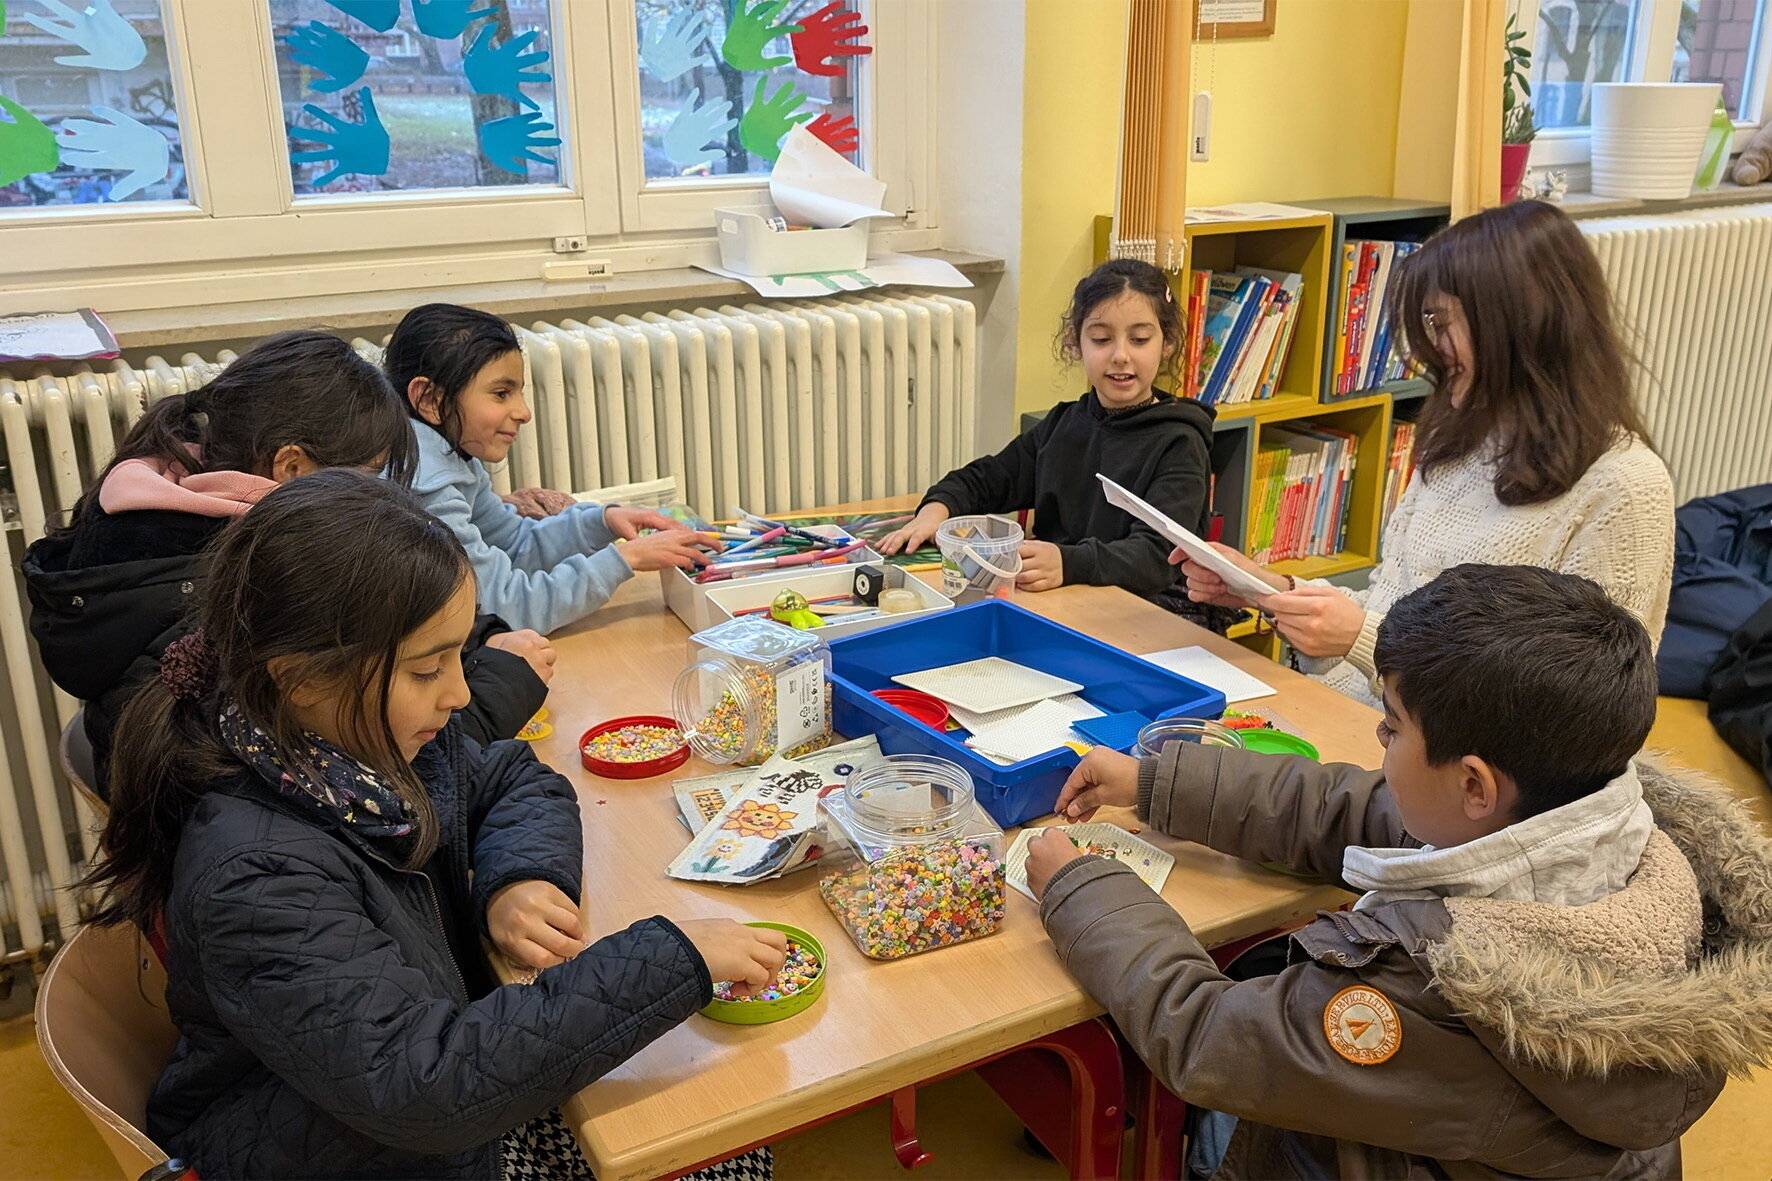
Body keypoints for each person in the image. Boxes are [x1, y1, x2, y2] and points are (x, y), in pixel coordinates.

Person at [84, 471, 783, 1180]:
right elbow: (429, 1085)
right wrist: (672, 957)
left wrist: (519, 877)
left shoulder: (362, 742)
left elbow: (513, 775)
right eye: (427, 669)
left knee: (716, 1127)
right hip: (362, 1144)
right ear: (300, 678)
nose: (458, 692)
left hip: (401, 1099)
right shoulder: (257, 877)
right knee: (714, 1145)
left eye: (458, 654)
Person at [1025, 564, 1772, 1179]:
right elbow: (1360, 804)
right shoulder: (1605, 829)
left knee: (1198, 1099)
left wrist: (1081, 885)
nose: (1378, 741)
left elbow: (1209, 1037)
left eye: (1390, 726)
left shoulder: (1428, 982)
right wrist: (1155, 783)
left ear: (1475, 784)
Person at [1179, 201, 1674, 707]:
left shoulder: (1625, 486)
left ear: (1518, 324)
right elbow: (1393, 609)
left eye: (1442, 323)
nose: (1429, 350)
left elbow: (1582, 708)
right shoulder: (1461, 447)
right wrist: (1270, 590)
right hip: (1377, 728)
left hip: (1467, 774)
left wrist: (1364, 640)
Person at [22, 331, 553, 794]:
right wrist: (501, 688)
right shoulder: (245, 587)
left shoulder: (189, 506)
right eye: (370, 477)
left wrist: (471, 638)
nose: (383, 498)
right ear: (293, 469)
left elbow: (379, 604)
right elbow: (356, 765)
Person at [878, 259, 1216, 601]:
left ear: (1167, 342)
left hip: (1149, 612)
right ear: (1076, 343)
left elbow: (1158, 557)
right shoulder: (1064, 424)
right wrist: (938, 509)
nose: (1120, 356)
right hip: (1067, 601)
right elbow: (989, 478)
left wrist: (1069, 562)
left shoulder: (1179, 441)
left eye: (1140, 339)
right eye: (1101, 339)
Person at [387, 303, 722, 635]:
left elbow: (515, 546)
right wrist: (624, 560)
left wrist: (602, 522)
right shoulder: (425, 486)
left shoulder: (447, 456)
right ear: (429, 399)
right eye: (502, 393)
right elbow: (506, 608)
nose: (523, 412)